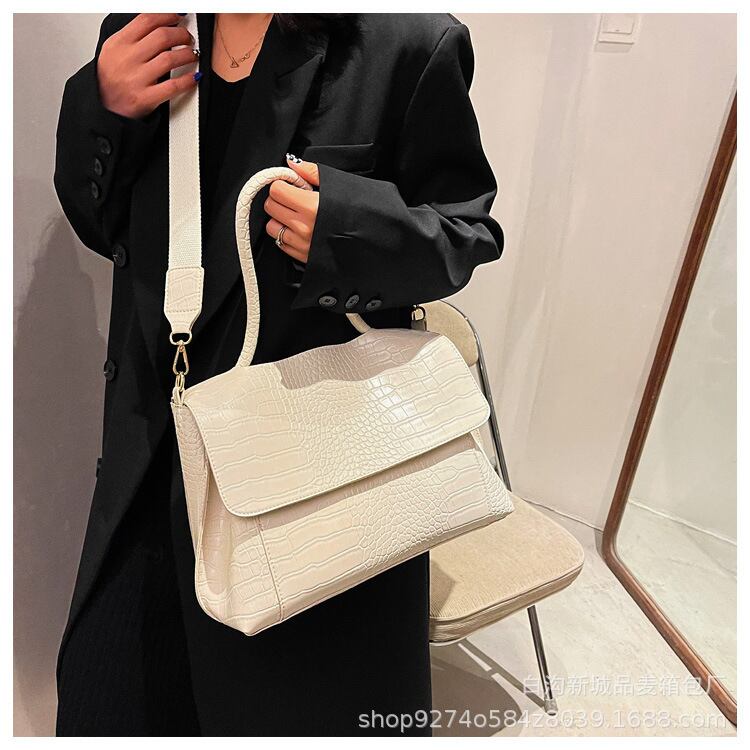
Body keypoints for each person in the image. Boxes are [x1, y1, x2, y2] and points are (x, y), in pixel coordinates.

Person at [53, 12, 504, 736]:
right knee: (110, 701)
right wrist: (100, 106)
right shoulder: (148, 30)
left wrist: (347, 228)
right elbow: (102, 224)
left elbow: (465, 231)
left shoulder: (407, 41)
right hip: (155, 466)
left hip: (315, 490)